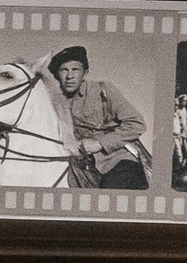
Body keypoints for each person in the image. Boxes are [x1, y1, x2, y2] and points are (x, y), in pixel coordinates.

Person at [46, 45, 147, 189]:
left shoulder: (103, 90)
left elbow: (137, 123)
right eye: (64, 70)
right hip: (79, 165)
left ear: (85, 73)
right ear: (57, 76)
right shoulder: (55, 104)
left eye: (75, 69)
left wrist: (99, 143)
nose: (69, 76)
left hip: (117, 160)